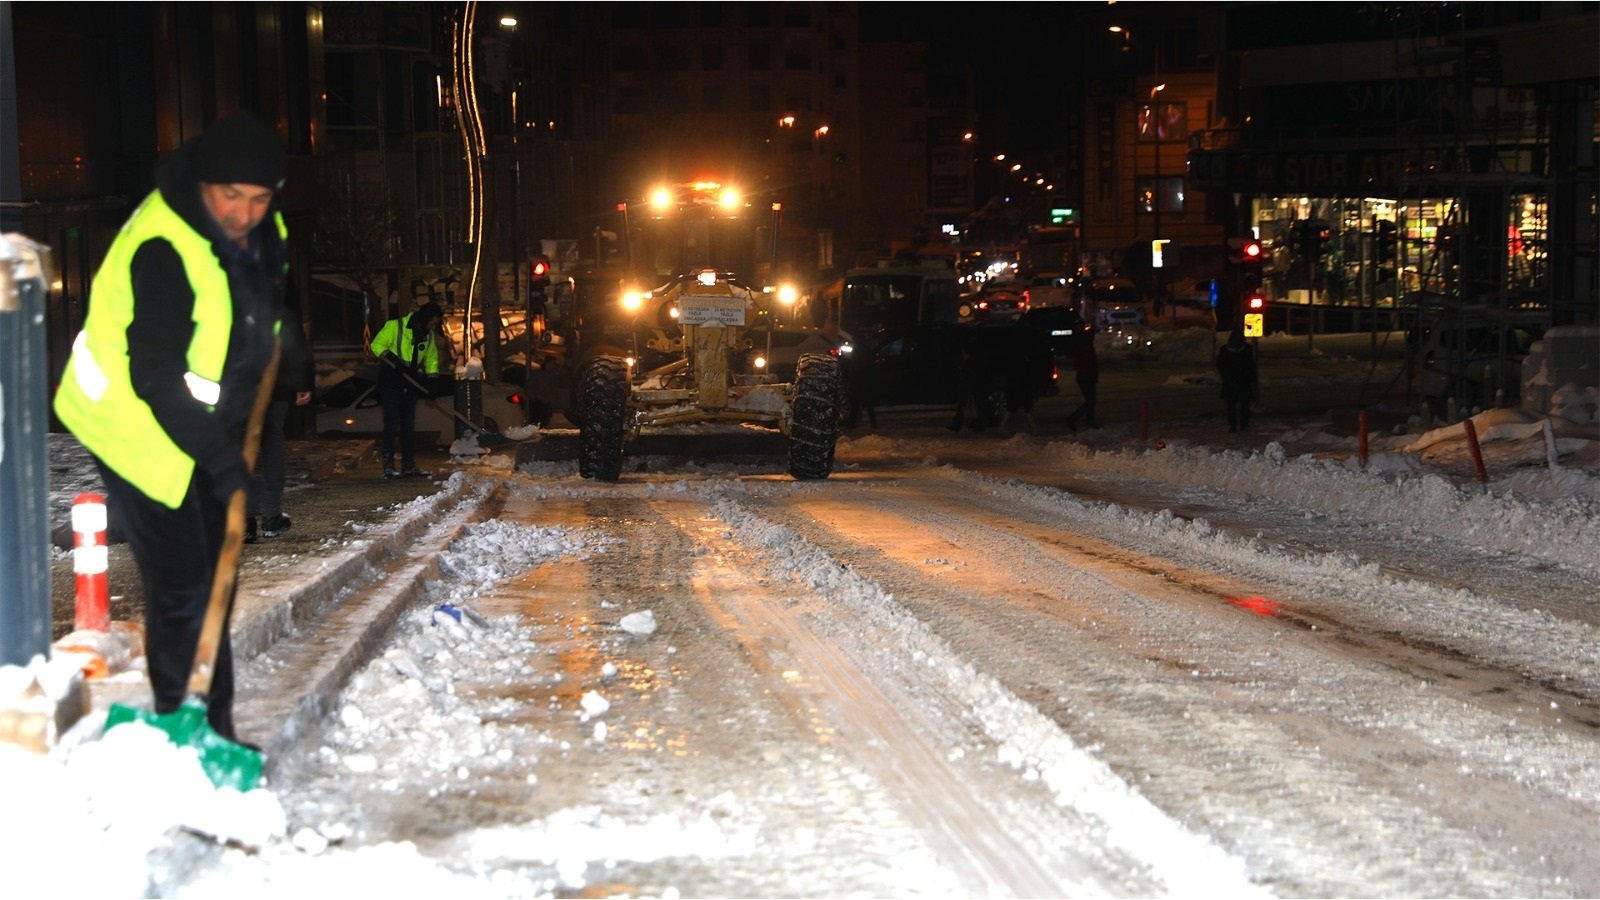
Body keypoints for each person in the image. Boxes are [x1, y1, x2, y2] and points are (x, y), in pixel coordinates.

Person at [53, 110, 289, 746]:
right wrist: (222, 461)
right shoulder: (164, 248)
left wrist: (280, 354)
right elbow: (155, 379)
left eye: (260, 199)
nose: (243, 213)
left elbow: (253, 308)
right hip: (130, 425)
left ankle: (210, 727)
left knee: (219, 571)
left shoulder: (262, 233)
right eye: (230, 196)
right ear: (203, 184)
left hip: (193, 423)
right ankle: (186, 729)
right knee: (185, 580)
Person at [247, 285, 314, 542]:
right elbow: (293, 332)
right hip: (276, 377)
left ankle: (245, 520)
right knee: (272, 441)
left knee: (245, 445)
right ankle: (270, 516)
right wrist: (303, 380)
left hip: (240, 378)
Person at [369, 301, 444, 478]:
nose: (433, 326)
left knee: (408, 427)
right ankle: (388, 465)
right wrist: (394, 361)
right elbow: (376, 345)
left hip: (410, 384)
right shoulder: (395, 326)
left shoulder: (428, 335)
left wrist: (431, 382)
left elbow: (431, 359)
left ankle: (408, 465)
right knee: (391, 425)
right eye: (432, 322)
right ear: (425, 317)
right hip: (391, 381)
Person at [1216, 327, 1258, 432]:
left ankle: (1234, 425)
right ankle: (1241, 424)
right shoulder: (1246, 349)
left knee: (1233, 406)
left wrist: (1226, 377)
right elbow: (1251, 365)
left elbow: (1221, 366)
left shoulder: (1226, 350)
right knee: (1242, 405)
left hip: (1233, 381)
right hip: (1241, 381)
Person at [1064, 326, 1100, 432]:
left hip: (1086, 377)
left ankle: (1089, 420)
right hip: (1086, 377)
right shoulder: (1085, 348)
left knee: (1090, 401)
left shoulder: (1084, 347)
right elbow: (1087, 364)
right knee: (1090, 401)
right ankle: (1074, 418)